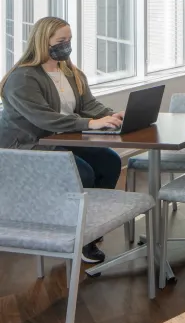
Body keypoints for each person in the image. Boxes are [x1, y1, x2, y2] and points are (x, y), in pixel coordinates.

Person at [0, 17, 125, 263]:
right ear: (42, 41)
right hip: (25, 146)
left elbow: (88, 104)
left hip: (56, 139)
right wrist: (90, 124)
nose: (66, 46)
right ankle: (69, 232)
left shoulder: (69, 71)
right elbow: (45, 119)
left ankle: (89, 231)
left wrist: (110, 115)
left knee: (110, 161)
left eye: (69, 40)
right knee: (82, 172)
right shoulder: (22, 78)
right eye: (61, 41)